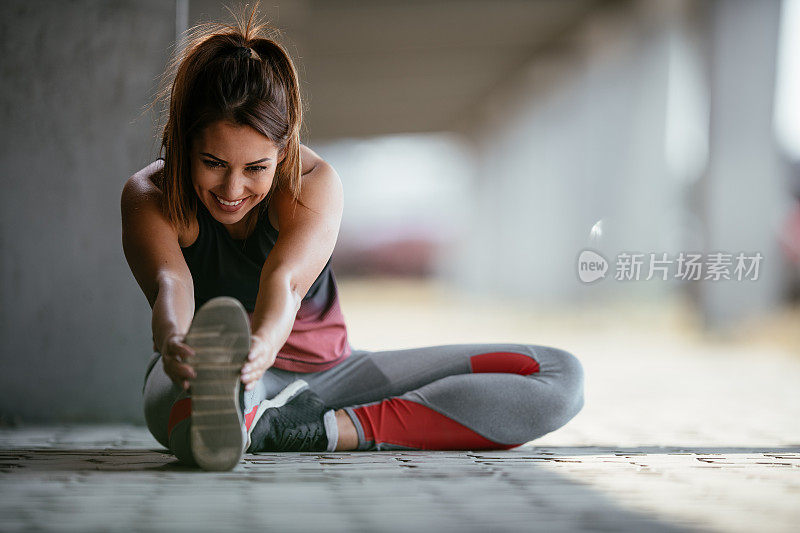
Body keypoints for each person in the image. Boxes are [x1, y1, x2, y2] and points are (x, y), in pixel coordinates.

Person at [121, 7, 585, 471]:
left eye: (255, 168)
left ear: (282, 152)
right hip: (214, 376)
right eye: (214, 163)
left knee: (558, 377)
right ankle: (239, 412)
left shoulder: (313, 183)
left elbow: (285, 283)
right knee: (189, 402)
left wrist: (262, 344)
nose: (233, 189)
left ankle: (322, 429)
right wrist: (174, 339)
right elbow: (171, 283)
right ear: (183, 143)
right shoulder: (151, 197)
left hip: (335, 375)